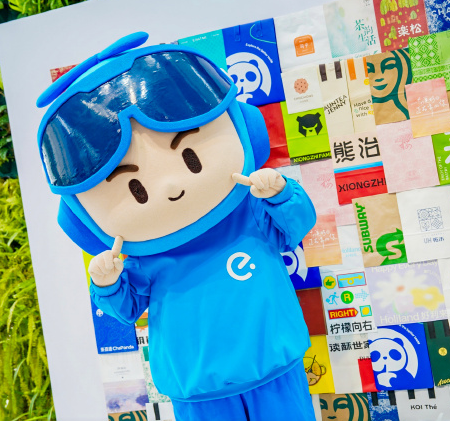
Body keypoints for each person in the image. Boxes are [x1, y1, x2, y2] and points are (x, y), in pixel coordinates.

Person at [36, 32, 318, 420]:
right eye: (134, 188)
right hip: (196, 389)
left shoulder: (246, 210)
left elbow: (295, 227)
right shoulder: (143, 253)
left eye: (190, 159)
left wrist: (281, 194)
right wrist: (107, 283)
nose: (170, 187)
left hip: (274, 366)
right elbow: (126, 308)